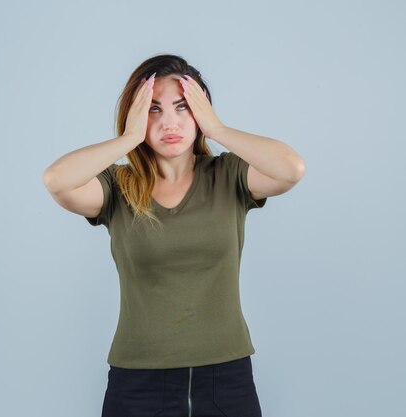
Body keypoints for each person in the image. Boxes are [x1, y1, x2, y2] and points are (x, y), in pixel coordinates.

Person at [42, 54, 305, 417]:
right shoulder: (117, 188)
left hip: (225, 379)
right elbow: (57, 180)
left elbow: (291, 170)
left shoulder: (228, 175)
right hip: (137, 382)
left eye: (183, 107)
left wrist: (218, 130)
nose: (170, 122)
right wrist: (128, 138)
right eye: (153, 110)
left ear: (200, 111)